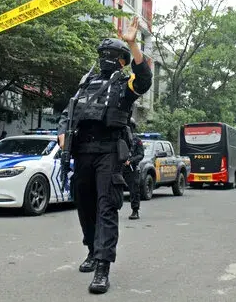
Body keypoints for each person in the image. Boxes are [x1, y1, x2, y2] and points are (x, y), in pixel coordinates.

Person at [57, 16, 152, 294]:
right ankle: (91, 249)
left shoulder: (124, 85)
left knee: (107, 208)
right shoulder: (85, 84)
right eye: (103, 55)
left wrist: (133, 44)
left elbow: (144, 80)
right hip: (82, 152)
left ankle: (102, 267)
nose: (107, 59)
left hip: (109, 152)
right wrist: (62, 133)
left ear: (123, 61)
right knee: (85, 206)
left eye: (113, 55)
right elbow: (67, 114)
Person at [123, 117, 144, 220]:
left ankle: (135, 211)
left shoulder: (136, 140)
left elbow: (141, 155)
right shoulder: (119, 138)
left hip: (131, 168)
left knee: (134, 190)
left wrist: (131, 161)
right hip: (118, 167)